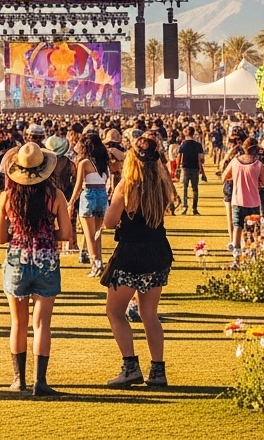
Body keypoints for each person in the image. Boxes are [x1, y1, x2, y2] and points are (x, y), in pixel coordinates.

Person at [0, 141, 73, 396]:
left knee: (18, 323)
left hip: (17, 259)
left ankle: (19, 379)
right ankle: (40, 381)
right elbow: (65, 234)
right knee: (42, 324)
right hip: (47, 259)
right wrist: (45, 233)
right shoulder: (56, 196)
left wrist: (18, 233)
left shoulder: (8, 196)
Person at [102, 135, 175, 388]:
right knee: (149, 315)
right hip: (157, 250)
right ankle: (157, 371)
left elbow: (109, 222)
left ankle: (130, 366)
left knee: (115, 311)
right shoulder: (162, 183)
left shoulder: (128, 185)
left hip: (131, 252)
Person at [68, 132, 112, 276]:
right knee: (98, 234)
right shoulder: (104, 163)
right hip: (102, 196)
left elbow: (78, 185)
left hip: (89, 195)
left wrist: (71, 201)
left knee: (89, 235)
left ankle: (95, 264)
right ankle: (99, 261)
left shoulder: (84, 163)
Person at [221, 137, 264, 254]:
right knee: (253, 228)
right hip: (254, 200)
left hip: (238, 200)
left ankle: (236, 255)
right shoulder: (258, 164)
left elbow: (224, 176)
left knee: (237, 227)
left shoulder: (235, 161)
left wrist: (235, 177)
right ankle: (252, 253)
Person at [176, 128, 205, 215]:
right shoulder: (198, 145)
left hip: (185, 168)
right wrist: (202, 171)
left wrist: (177, 168)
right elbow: (201, 159)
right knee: (195, 189)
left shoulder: (183, 144)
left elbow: (179, 157)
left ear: (186, 134)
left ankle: (185, 207)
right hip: (195, 169)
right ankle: (194, 209)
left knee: (184, 189)